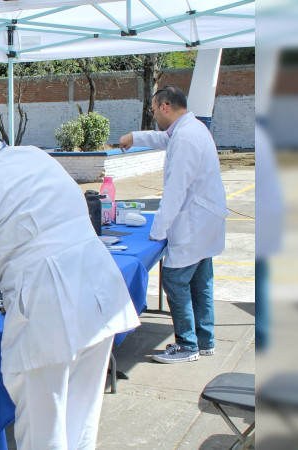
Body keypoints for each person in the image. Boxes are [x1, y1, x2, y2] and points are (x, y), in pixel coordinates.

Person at [0, 105, 139, 449]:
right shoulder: (36, 157)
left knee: (43, 432)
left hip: (49, 307)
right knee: (79, 422)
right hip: (99, 294)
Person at [119, 85, 227, 364]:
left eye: (153, 109)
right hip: (205, 221)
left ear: (164, 106)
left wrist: (158, 230)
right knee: (201, 281)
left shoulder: (186, 138)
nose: (154, 115)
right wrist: (135, 137)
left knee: (175, 279)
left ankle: (186, 345)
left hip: (194, 222)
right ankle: (205, 340)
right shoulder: (191, 129)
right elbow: (163, 139)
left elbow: (176, 191)